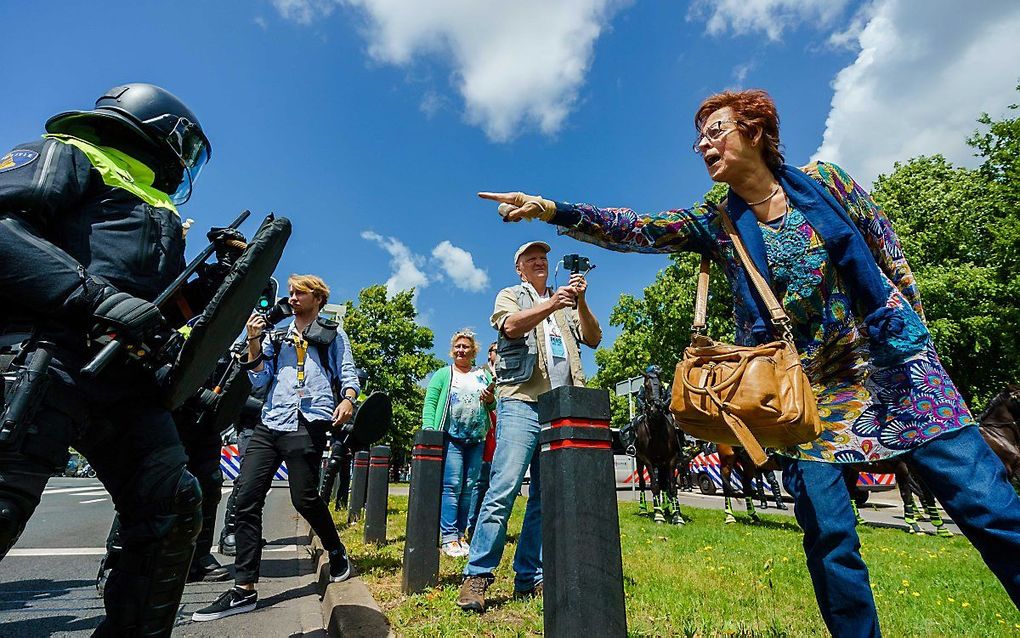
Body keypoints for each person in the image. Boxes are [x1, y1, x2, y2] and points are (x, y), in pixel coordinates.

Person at [480, 88, 1020, 636]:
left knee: (990, 507)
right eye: (699, 138)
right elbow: (638, 229)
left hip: (897, 368)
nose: (703, 145)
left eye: (716, 131)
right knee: (831, 537)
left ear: (755, 131)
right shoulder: (718, 219)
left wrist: (913, 328)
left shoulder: (828, 182)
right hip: (804, 391)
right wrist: (551, 208)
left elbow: (887, 252)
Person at [0, 82, 213, 635]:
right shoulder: (69, 154)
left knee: (170, 510)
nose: (186, 164)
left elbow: (160, 307)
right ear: (159, 128)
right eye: (186, 148)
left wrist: (212, 284)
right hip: (48, 357)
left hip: (126, 378)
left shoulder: (157, 207)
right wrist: (95, 297)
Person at [194, 274, 360, 621]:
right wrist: (254, 341)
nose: (293, 298)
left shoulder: (331, 334)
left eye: (300, 293)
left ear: (317, 298)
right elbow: (259, 378)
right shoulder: (276, 333)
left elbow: (348, 372)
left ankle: (335, 548)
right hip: (270, 422)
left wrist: (348, 399)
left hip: (308, 419)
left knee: (304, 498)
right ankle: (244, 588)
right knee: (245, 498)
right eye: (291, 293)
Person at [457, 241, 601, 612]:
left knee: (543, 496)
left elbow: (594, 338)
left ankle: (529, 577)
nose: (539, 262)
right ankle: (478, 574)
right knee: (503, 489)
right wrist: (551, 304)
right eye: (530, 259)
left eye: (543, 258)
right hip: (521, 401)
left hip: (559, 407)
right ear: (519, 269)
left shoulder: (566, 300)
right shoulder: (511, 295)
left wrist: (579, 302)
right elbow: (511, 327)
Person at [422, 330, 495, 557]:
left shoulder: (483, 375)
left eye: (466, 347)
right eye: (458, 347)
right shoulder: (443, 374)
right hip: (452, 437)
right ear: (452, 350)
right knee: (452, 486)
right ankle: (449, 537)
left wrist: (491, 399)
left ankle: (461, 535)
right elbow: (431, 402)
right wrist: (430, 431)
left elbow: (493, 405)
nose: (461, 350)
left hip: (477, 438)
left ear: (473, 351)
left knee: (469, 489)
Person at [467, 341, 499, 538]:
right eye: (497, 350)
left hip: (501, 432)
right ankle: (472, 524)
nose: (501, 353)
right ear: (489, 354)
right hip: (484, 431)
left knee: (493, 482)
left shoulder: (511, 374)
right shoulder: (481, 373)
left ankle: (487, 525)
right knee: (479, 481)